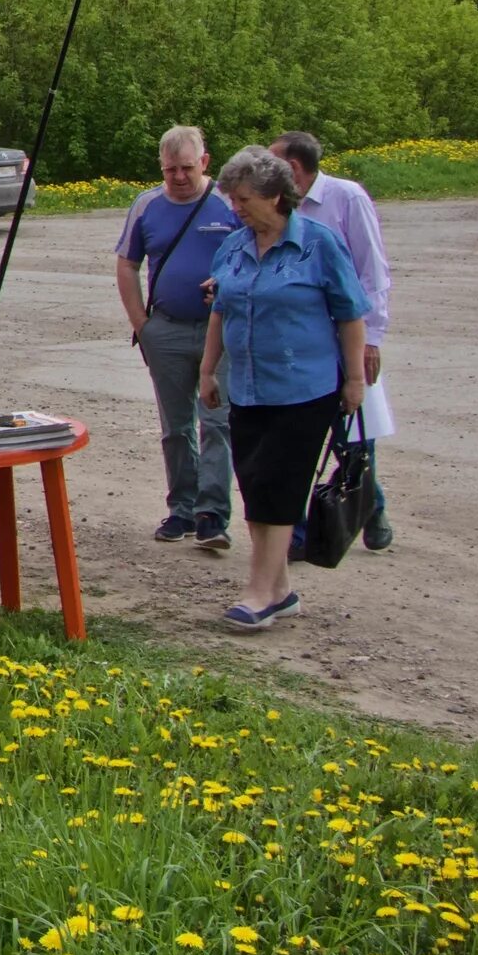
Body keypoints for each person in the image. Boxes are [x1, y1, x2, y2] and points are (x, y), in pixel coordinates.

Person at [197, 145, 369, 633]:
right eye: (233, 199)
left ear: (276, 196)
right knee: (254, 483)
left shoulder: (319, 244)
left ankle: (258, 593)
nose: (236, 208)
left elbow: (350, 313)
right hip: (248, 387)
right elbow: (220, 310)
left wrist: (354, 380)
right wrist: (209, 371)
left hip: (304, 389)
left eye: (244, 199)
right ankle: (281, 589)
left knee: (279, 487)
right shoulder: (233, 245)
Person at [113, 126, 243, 550]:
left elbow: (254, 254)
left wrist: (227, 285)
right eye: (171, 170)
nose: (180, 177)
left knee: (217, 422)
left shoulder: (229, 203)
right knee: (175, 426)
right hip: (164, 328)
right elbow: (128, 264)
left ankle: (212, 514)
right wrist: (142, 325)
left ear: (205, 162)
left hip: (218, 331)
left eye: (187, 168)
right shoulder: (147, 205)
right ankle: (181, 508)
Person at [272, 131, 395, 553]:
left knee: (352, 436)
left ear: (295, 168)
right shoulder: (277, 206)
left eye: (274, 163)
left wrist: (370, 339)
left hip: (345, 337)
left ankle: (369, 505)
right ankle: (299, 532)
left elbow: (371, 272)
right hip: (297, 342)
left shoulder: (346, 198)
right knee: (299, 436)